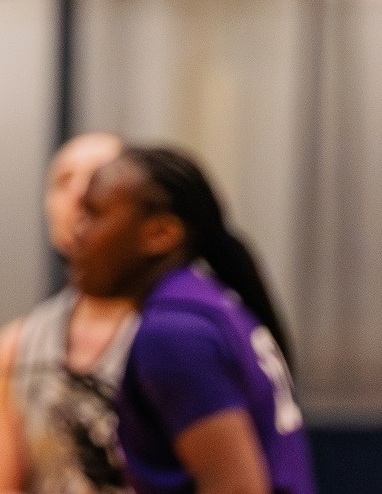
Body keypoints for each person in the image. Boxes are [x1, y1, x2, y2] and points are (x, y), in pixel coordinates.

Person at [72, 147, 316, 494]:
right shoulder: (209, 304)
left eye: (94, 213)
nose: (77, 232)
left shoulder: (174, 333)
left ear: (160, 234)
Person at [0, 132, 137, 494]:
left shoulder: (180, 330)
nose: (79, 194)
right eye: (63, 182)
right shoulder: (15, 347)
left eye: (100, 177)